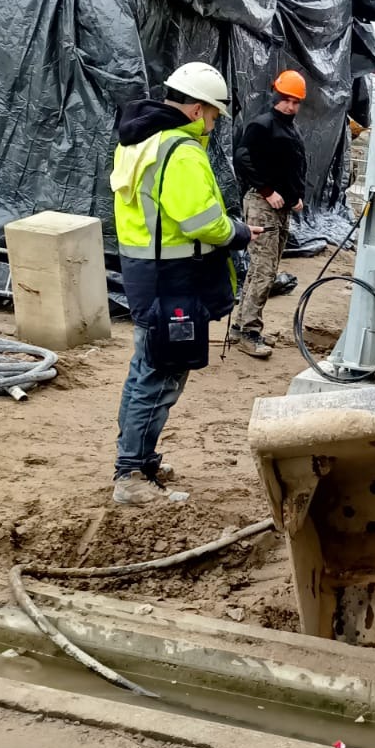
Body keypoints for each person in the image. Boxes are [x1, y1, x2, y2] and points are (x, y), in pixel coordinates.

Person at [110, 62, 258, 505]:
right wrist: (240, 231)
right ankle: (131, 476)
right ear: (196, 109)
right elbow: (201, 222)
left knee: (146, 368)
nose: (213, 123)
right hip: (172, 279)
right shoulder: (180, 149)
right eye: (213, 115)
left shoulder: (139, 138)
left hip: (148, 274)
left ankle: (139, 459)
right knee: (161, 374)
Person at [231, 70, 308, 359]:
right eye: (287, 100)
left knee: (263, 269)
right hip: (263, 206)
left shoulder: (289, 129)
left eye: (296, 102)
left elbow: (290, 166)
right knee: (263, 270)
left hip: (281, 207)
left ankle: (241, 326)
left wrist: (294, 196)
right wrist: (266, 190)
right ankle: (249, 331)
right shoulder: (262, 125)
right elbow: (243, 158)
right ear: (276, 95)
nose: (291, 106)